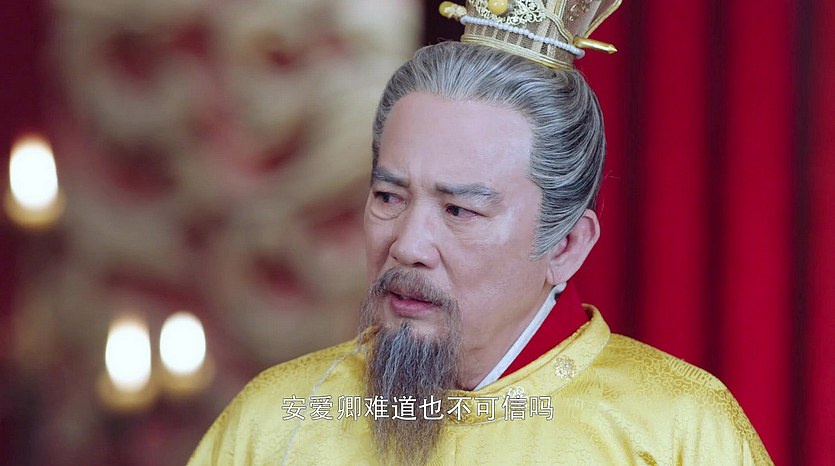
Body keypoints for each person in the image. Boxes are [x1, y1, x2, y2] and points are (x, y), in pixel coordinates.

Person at [188, 1, 772, 464]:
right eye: (389, 197)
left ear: (566, 245)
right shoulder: (274, 422)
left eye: (459, 210)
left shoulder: (676, 433)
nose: (408, 246)